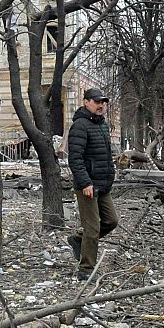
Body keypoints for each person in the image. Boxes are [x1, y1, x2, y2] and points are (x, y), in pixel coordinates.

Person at [65, 87, 118, 279]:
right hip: (88, 186)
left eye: (103, 102)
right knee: (92, 228)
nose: (101, 105)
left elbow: (105, 154)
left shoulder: (102, 124)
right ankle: (86, 270)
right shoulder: (80, 125)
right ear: (86, 102)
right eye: (97, 101)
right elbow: (75, 159)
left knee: (111, 221)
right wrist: (85, 182)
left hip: (103, 184)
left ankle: (78, 240)